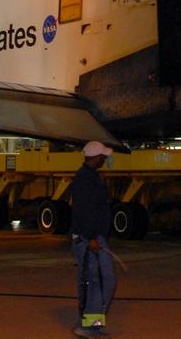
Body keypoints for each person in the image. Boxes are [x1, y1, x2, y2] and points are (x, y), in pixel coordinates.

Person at [70, 140, 116, 337]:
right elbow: (83, 211)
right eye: (103, 157)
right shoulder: (84, 180)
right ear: (95, 157)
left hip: (95, 237)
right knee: (93, 282)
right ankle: (85, 326)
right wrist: (90, 238)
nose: (105, 159)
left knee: (106, 280)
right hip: (87, 239)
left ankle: (93, 324)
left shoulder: (91, 177)